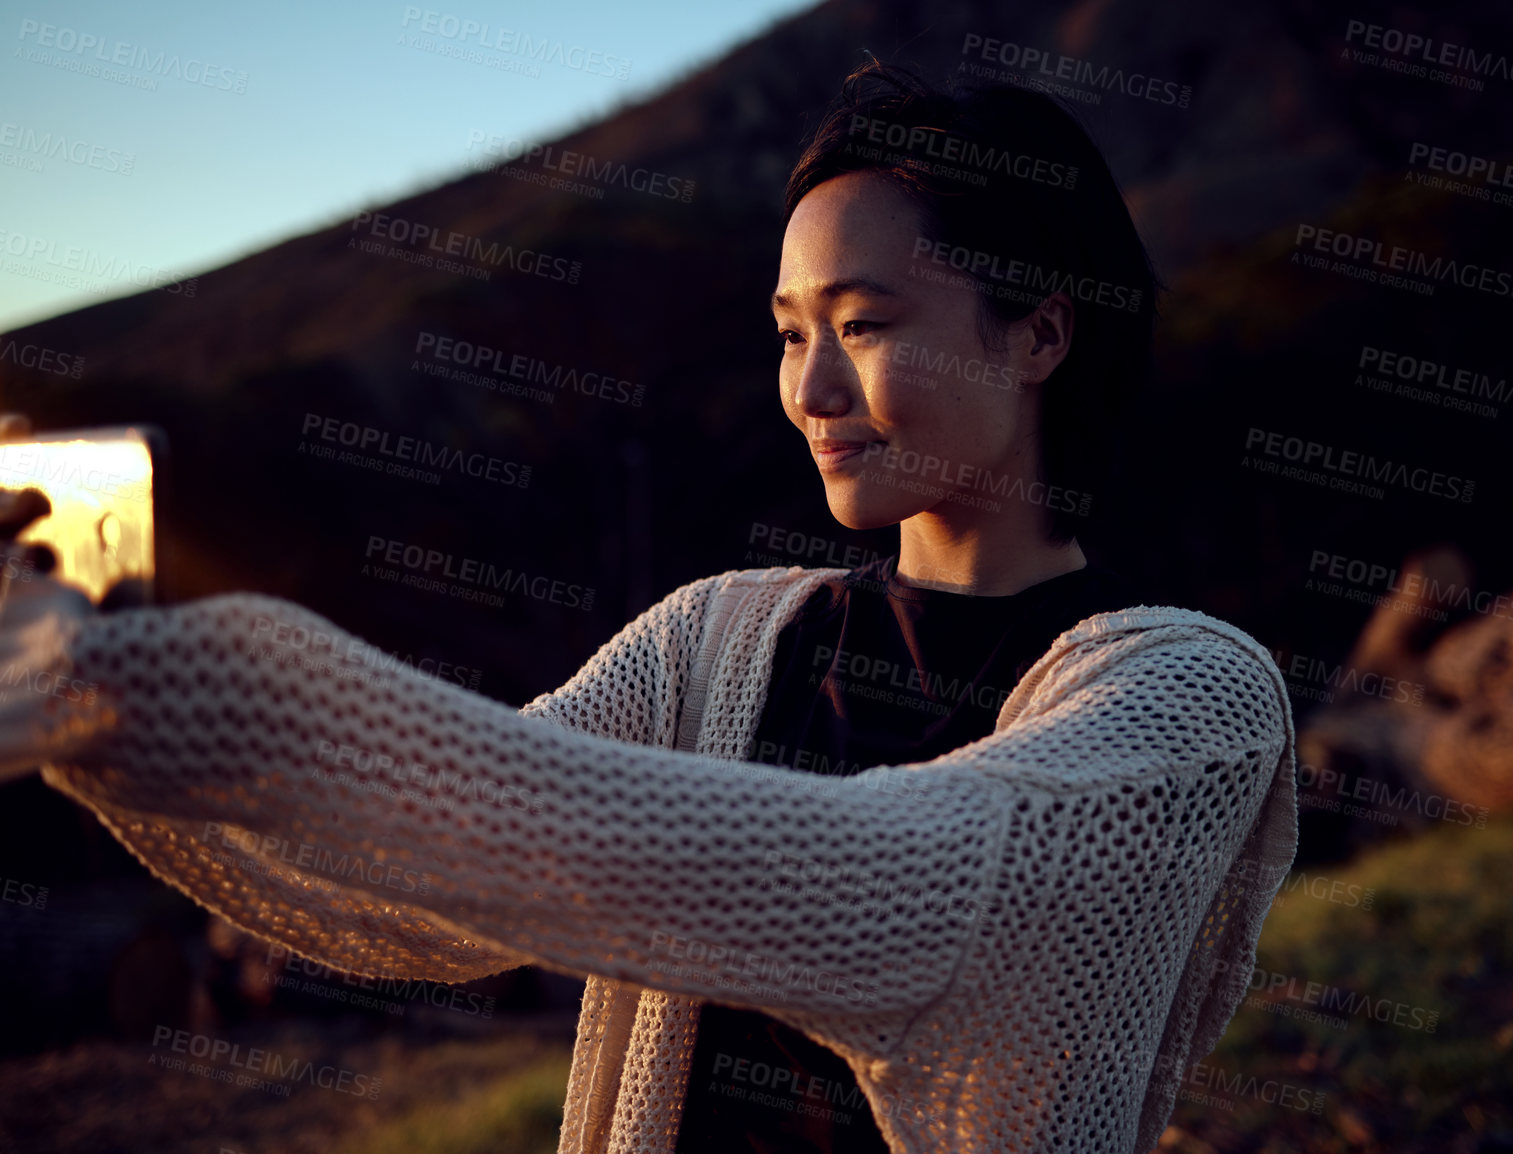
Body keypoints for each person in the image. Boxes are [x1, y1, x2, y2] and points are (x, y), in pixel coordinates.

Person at [0, 61, 1298, 1154]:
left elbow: (892, 874)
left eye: (864, 321)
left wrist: (171, 680)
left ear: (1040, 336)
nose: (814, 389)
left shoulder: (1190, 700)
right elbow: (426, 868)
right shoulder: (716, 638)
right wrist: (90, 702)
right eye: (791, 333)